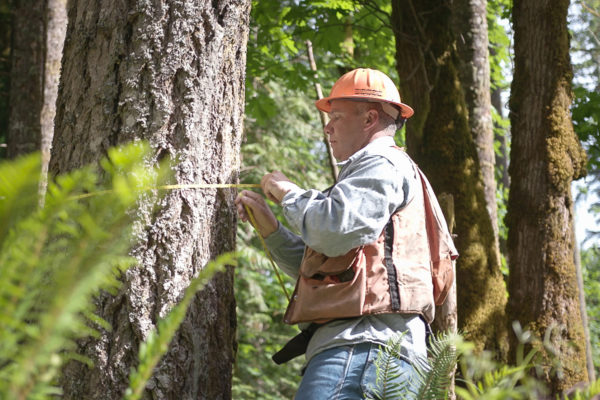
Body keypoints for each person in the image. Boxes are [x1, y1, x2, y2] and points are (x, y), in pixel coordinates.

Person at [235, 68, 453, 399]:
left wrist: (287, 193)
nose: (327, 127)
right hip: (384, 356)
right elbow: (343, 272)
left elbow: (332, 231)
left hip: (359, 352)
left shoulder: (382, 164)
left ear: (369, 119)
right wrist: (273, 231)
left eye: (336, 116)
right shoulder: (389, 176)